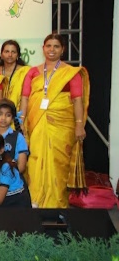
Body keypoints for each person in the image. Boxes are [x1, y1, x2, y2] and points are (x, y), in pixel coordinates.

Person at [19, 33, 89, 209]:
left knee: (59, 164)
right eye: (48, 46)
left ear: (62, 50)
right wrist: (21, 120)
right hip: (36, 123)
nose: (52, 49)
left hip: (62, 125)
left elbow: (77, 100)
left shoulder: (70, 73)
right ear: (43, 48)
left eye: (56, 46)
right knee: (35, 161)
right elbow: (25, 98)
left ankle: (57, 204)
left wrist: (79, 124)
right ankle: (34, 200)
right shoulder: (33, 72)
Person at [0, 99, 28, 175]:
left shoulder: (18, 137)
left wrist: (6, 178)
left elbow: (22, 166)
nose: (3, 118)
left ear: (12, 118)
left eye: (8, 115)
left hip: (11, 179)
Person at [0, 39, 30, 110]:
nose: (10, 55)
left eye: (13, 52)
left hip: (20, 111)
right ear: (1, 55)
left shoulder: (26, 71)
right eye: (7, 51)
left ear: (18, 55)